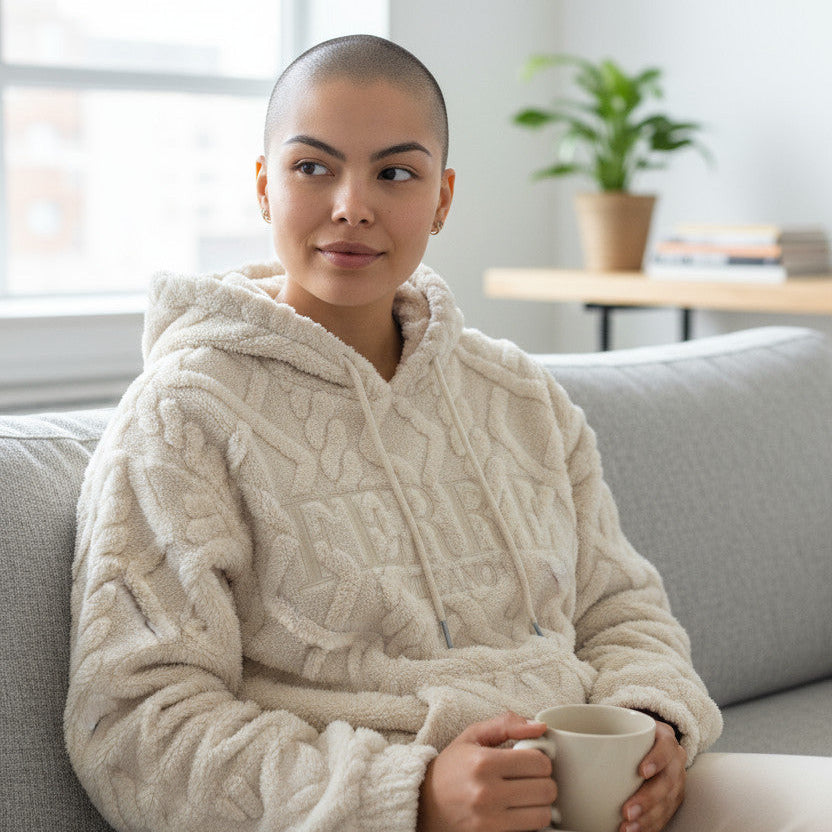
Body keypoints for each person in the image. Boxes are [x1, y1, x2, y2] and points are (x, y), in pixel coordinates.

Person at [64, 35, 828, 832]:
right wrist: (413, 795)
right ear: (264, 185)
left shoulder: (522, 396)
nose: (352, 205)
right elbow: (135, 729)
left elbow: (621, 606)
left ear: (443, 197)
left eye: (395, 173)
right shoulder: (180, 417)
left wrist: (651, 723)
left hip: (603, 803)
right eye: (313, 167)